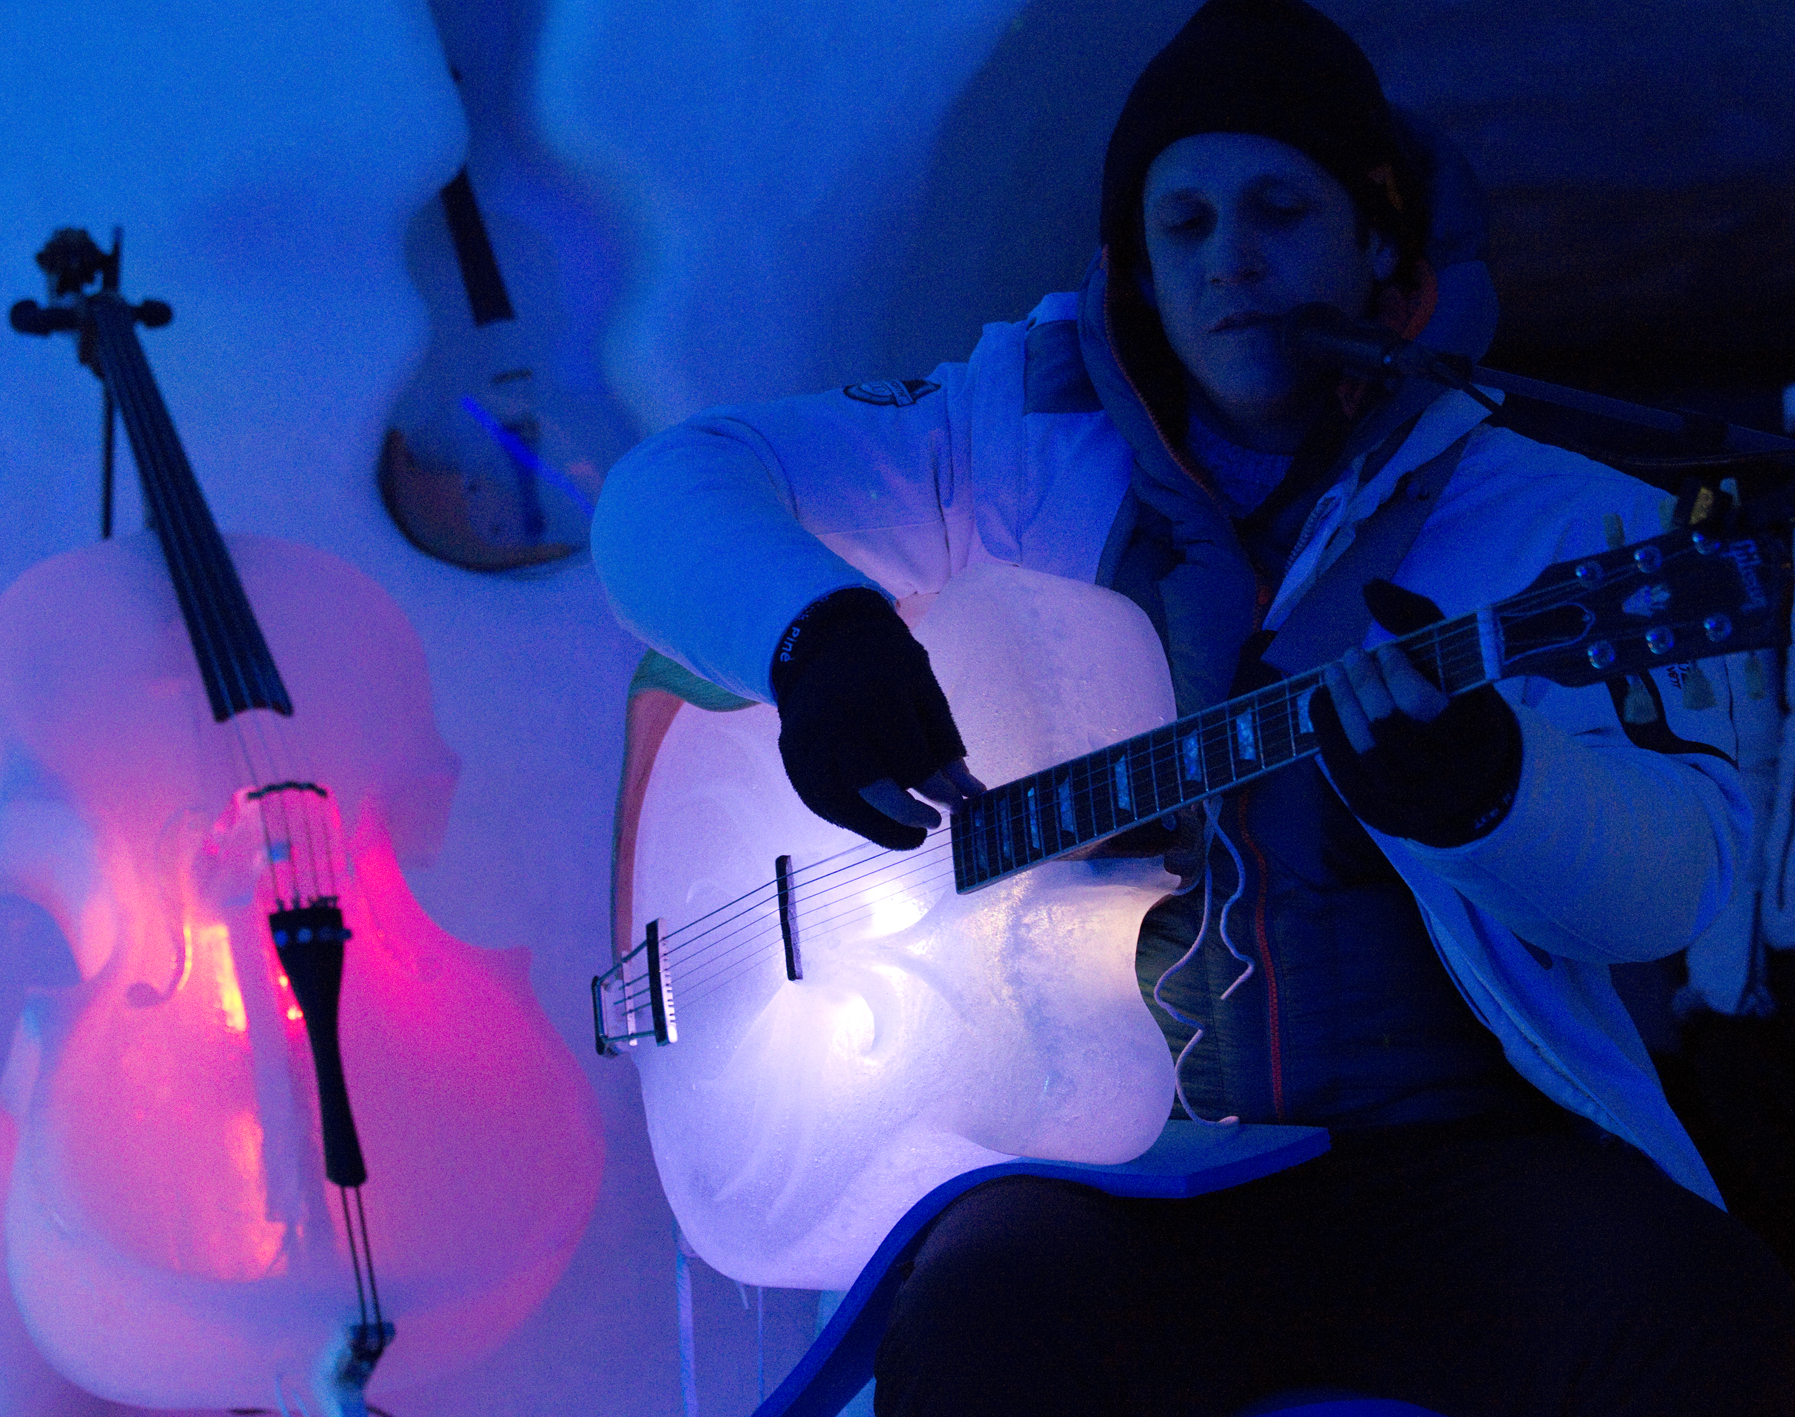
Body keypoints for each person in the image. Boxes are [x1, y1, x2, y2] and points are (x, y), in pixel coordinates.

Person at [590, 1, 1795, 1412]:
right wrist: (813, 637)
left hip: (1452, 1166)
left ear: (1379, 240)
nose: (1231, 258)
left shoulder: (1557, 519)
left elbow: (1680, 878)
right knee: (975, 1336)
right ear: (1137, 267)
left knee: (1704, 1319)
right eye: (1185, 223)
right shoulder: (1003, 434)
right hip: (1105, 1185)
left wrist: (1489, 792)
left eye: (1280, 209)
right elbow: (664, 491)